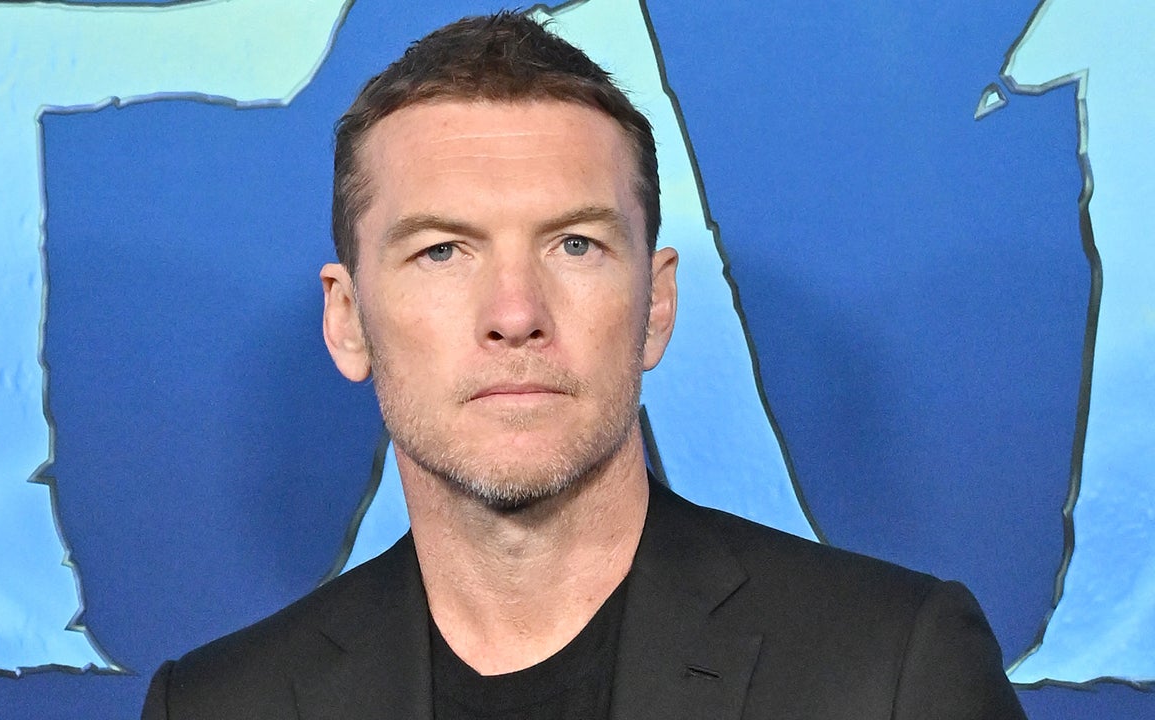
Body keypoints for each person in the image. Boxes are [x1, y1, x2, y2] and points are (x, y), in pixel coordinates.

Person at [142, 12, 1027, 719]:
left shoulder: (892, 672)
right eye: (443, 251)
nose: (515, 314)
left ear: (657, 306)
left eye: (574, 244)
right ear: (348, 321)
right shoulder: (221, 705)